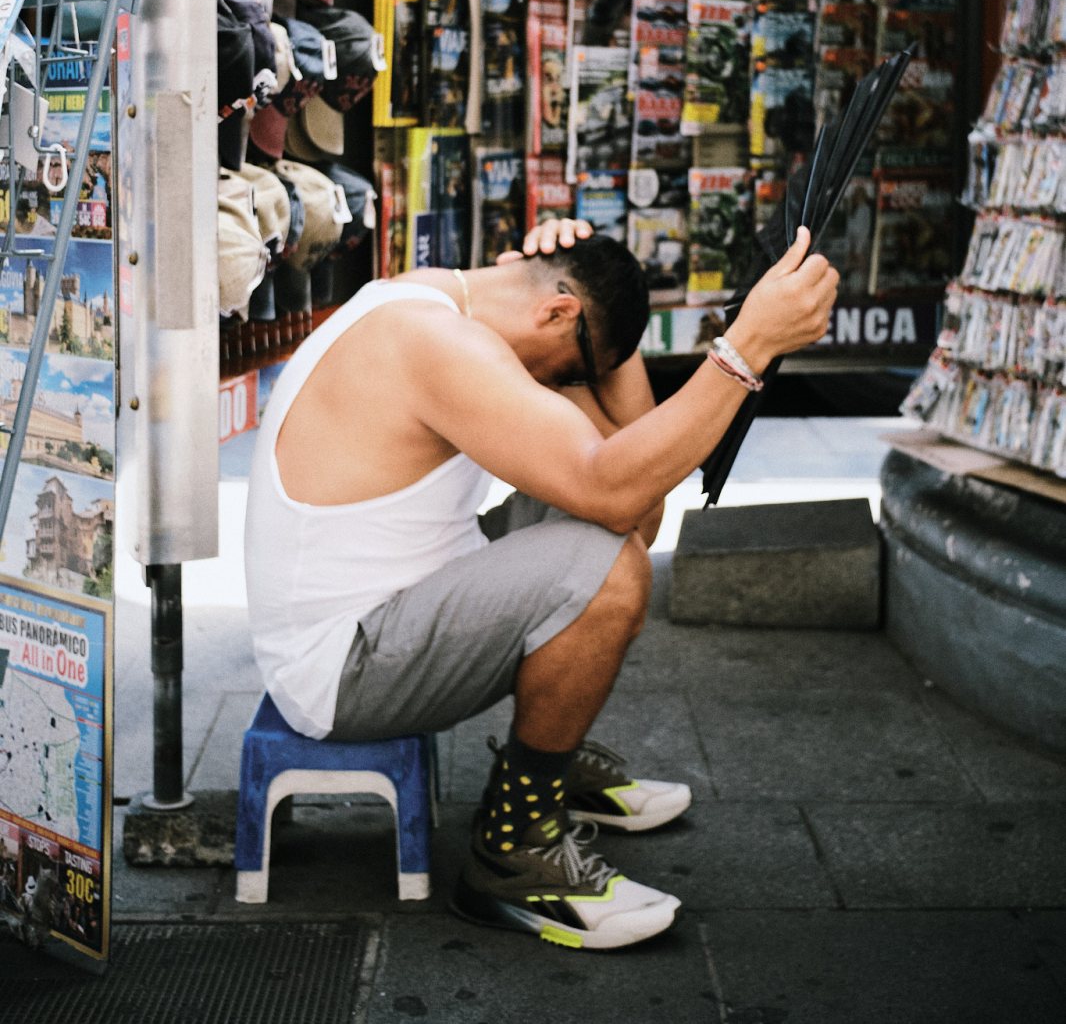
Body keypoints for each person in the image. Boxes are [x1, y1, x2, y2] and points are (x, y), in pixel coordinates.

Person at [244, 218, 839, 951]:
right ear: (555, 311)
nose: (567, 385)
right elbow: (618, 489)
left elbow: (637, 499)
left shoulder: (438, 304)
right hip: (342, 667)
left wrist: (600, 315)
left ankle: (545, 757)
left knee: (605, 537)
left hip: (391, 598)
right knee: (610, 576)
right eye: (571, 370)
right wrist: (742, 350)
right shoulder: (439, 344)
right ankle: (513, 847)